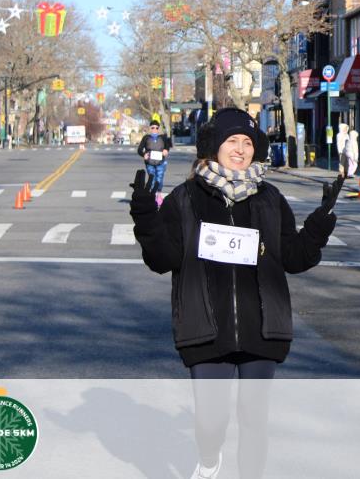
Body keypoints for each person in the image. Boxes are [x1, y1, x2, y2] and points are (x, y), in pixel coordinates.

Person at [129, 107, 341, 479]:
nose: (241, 149)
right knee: (211, 421)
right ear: (214, 146)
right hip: (205, 327)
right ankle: (209, 460)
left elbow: (293, 258)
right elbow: (162, 259)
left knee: (254, 419)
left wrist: (318, 226)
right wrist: (147, 221)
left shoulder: (269, 198)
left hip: (262, 326)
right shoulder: (185, 198)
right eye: (232, 141)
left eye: (247, 142)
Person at [138, 120, 172, 205]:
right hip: (149, 162)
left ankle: (159, 195)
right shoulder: (146, 137)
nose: (154, 129)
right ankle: (152, 196)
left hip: (160, 162)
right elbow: (139, 149)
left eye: (157, 128)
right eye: (153, 128)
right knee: (152, 179)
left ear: (159, 129)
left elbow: (168, 146)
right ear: (150, 128)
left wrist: (166, 150)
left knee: (159, 179)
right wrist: (143, 154)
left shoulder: (163, 137)